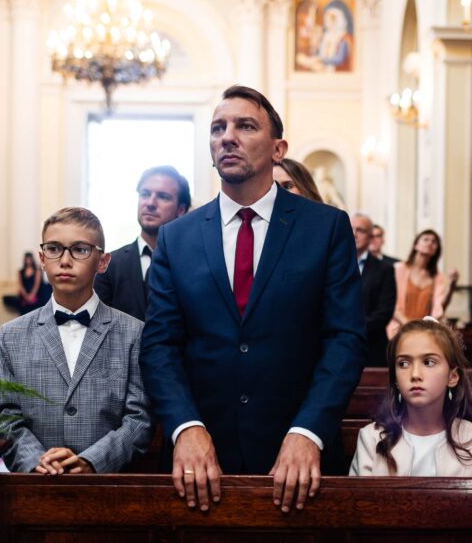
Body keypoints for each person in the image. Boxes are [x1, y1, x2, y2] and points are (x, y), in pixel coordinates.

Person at [140, 85, 365, 513]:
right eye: (218, 128)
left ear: (278, 149)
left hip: (300, 460)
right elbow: (159, 346)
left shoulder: (325, 228)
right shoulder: (177, 237)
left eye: (245, 126)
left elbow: (345, 339)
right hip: (198, 462)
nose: (228, 137)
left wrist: (309, 431)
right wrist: (185, 427)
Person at [0, 207, 152, 474]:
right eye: (54, 249)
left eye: (80, 250)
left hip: (105, 485)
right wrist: (36, 461)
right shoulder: (12, 335)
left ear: (102, 262)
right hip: (37, 483)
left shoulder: (133, 333)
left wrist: (92, 461)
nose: (65, 260)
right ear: (42, 259)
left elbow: (139, 420)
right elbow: (4, 417)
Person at [350, 318, 472, 477]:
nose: (415, 374)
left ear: (452, 376)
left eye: (429, 362)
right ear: (396, 379)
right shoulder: (371, 439)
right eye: (404, 364)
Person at [94, 166, 191, 321]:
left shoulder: (194, 265)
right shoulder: (109, 265)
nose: (150, 203)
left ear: (181, 210)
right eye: (145, 194)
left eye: (163, 197)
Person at [386, 230, 458, 339]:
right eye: (426, 239)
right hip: (398, 330)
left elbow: (439, 307)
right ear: (416, 245)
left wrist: (451, 285)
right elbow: (390, 303)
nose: (430, 243)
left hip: (424, 332)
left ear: (436, 250)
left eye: (434, 241)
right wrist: (410, 327)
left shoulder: (437, 276)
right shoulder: (398, 269)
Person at [351, 213, 395, 367]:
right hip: (334, 344)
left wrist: (351, 327)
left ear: (370, 237)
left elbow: (384, 312)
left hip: (370, 346)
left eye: (360, 230)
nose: (354, 234)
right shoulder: (333, 264)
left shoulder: (384, 269)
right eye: (351, 229)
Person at [17, 252, 46, 316]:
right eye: (27, 259)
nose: (28, 261)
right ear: (24, 260)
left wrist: (32, 295)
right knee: (24, 315)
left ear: (32, 259)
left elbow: (36, 284)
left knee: (34, 314)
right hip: (24, 296)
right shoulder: (20, 271)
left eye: (29, 259)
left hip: (36, 295)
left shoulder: (37, 270)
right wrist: (26, 296)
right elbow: (20, 285)